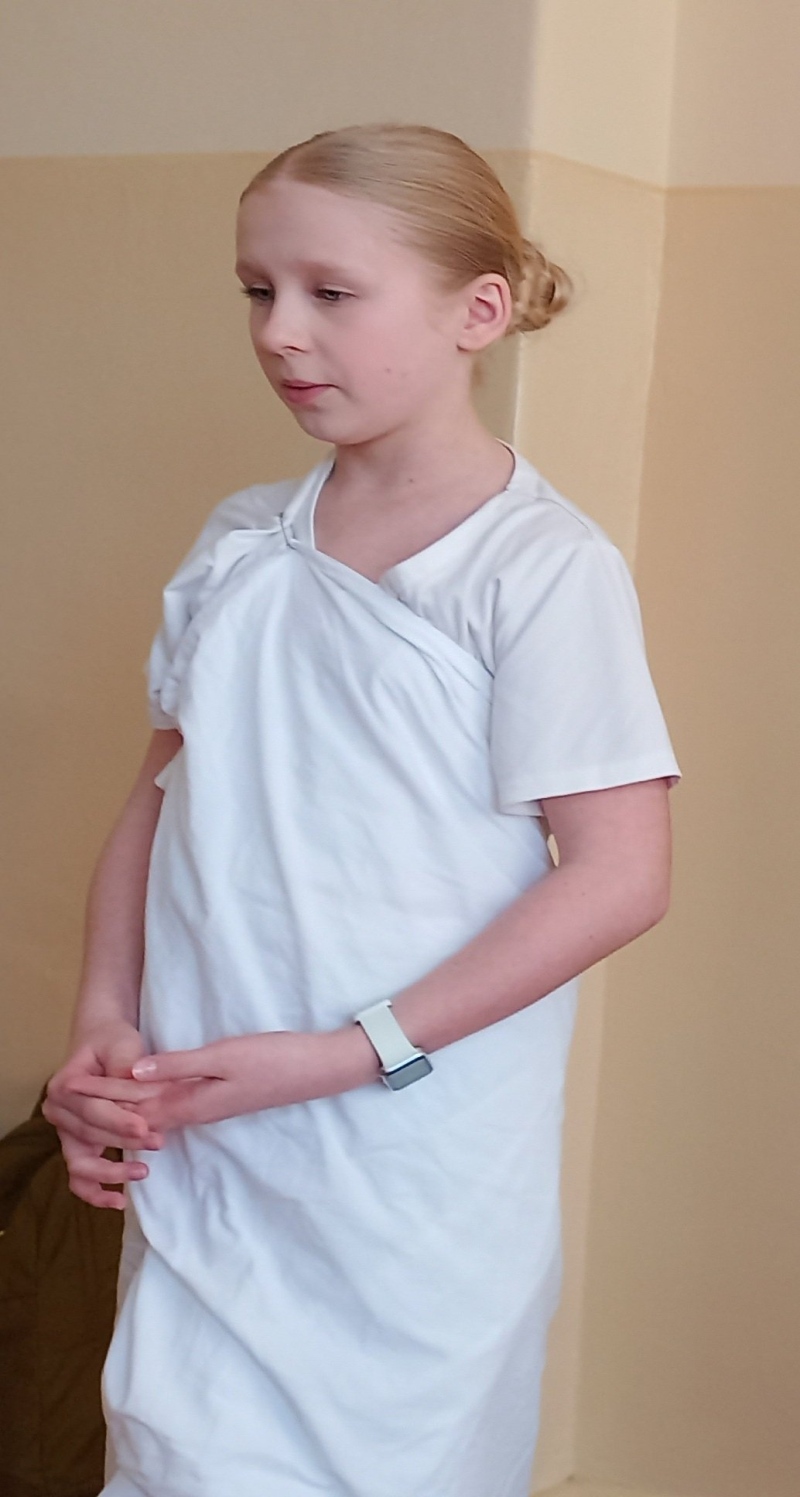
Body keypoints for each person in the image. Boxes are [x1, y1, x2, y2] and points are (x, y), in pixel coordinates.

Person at [43, 122, 681, 1497]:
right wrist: (103, 1021)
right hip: (212, 1143)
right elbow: (158, 800)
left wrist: (348, 1051)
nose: (281, 331)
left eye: (332, 292)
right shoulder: (239, 543)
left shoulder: (537, 567)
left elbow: (621, 873)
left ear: (478, 312)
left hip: (412, 1171)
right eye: (257, 290)